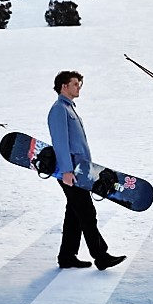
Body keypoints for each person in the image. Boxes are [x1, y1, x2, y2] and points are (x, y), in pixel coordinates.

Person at [48, 71, 126, 271]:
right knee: (86, 213)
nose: (78, 87)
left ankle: (67, 256)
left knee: (74, 213)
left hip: (79, 170)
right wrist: (66, 171)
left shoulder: (69, 109)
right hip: (71, 171)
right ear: (64, 86)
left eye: (79, 84)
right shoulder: (59, 110)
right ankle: (101, 256)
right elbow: (60, 142)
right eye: (75, 84)